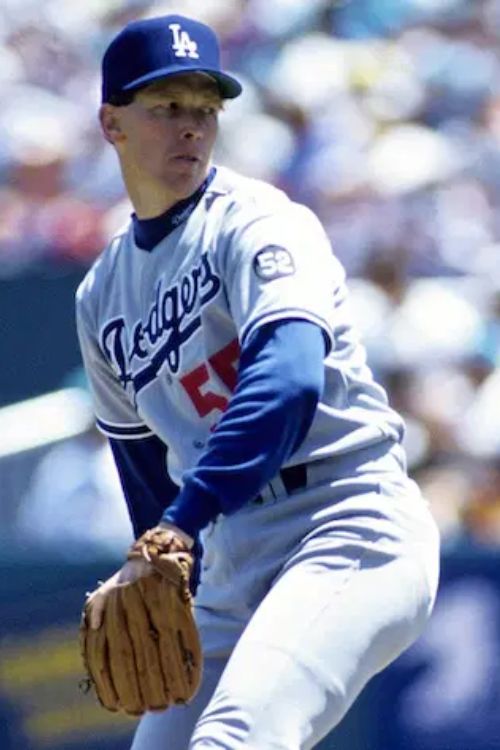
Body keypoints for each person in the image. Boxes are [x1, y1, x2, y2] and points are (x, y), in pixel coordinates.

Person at [76, 13, 440, 750]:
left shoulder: (260, 222)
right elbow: (146, 477)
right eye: (166, 106)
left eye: (205, 108)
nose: (191, 127)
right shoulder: (101, 296)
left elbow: (287, 381)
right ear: (113, 124)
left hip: (345, 517)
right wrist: (160, 562)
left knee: (238, 739)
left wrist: (181, 520)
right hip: (232, 562)